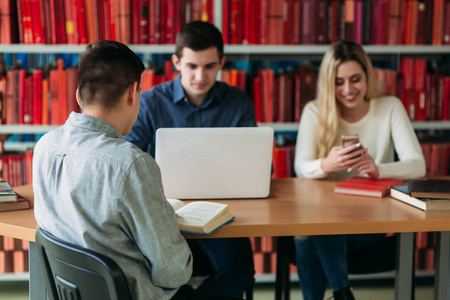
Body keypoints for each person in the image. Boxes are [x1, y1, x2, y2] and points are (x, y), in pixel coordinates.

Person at [32, 40, 239, 300]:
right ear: (132, 93)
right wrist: (166, 226)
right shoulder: (130, 163)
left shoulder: (45, 146)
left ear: (78, 95)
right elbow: (174, 273)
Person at [124, 21, 256, 298]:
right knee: (155, 276)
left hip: (224, 213)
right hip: (163, 213)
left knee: (241, 273)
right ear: (176, 62)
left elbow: (256, 169)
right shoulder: (148, 103)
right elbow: (128, 163)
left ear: (222, 62)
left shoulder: (238, 102)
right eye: (192, 66)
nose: (200, 75)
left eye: (209, 66)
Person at [293, 40, 426, 300]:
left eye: (355, 79)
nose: (348, 90)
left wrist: (379, 169)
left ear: (367, 77)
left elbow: (418, 164)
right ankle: (343, 293)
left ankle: (337, 293)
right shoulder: (314, 111)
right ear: (328, 83)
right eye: (338, 82)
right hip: (327, 217)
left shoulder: (390, 107)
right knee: (316, 228)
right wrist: (326, 165)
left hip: (371, 218)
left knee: (309, 235)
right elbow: (301, 166)